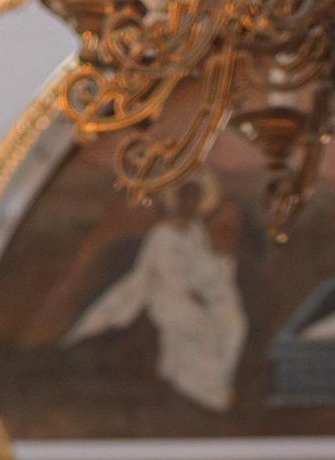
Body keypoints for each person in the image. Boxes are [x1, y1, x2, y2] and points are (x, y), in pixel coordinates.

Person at [61, 172, 248, 412]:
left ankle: (218, 385)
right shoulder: (162, 233)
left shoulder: (195, 230)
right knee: (197, 326)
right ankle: (197, 385)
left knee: (231, 322)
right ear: (176, 201)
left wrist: (219, 267)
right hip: (167, 294)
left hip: (193, 292)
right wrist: (191, 293)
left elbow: (201, 262)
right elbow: (161, 272)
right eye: (186, 198)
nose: (189, 204)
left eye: (195, 198)